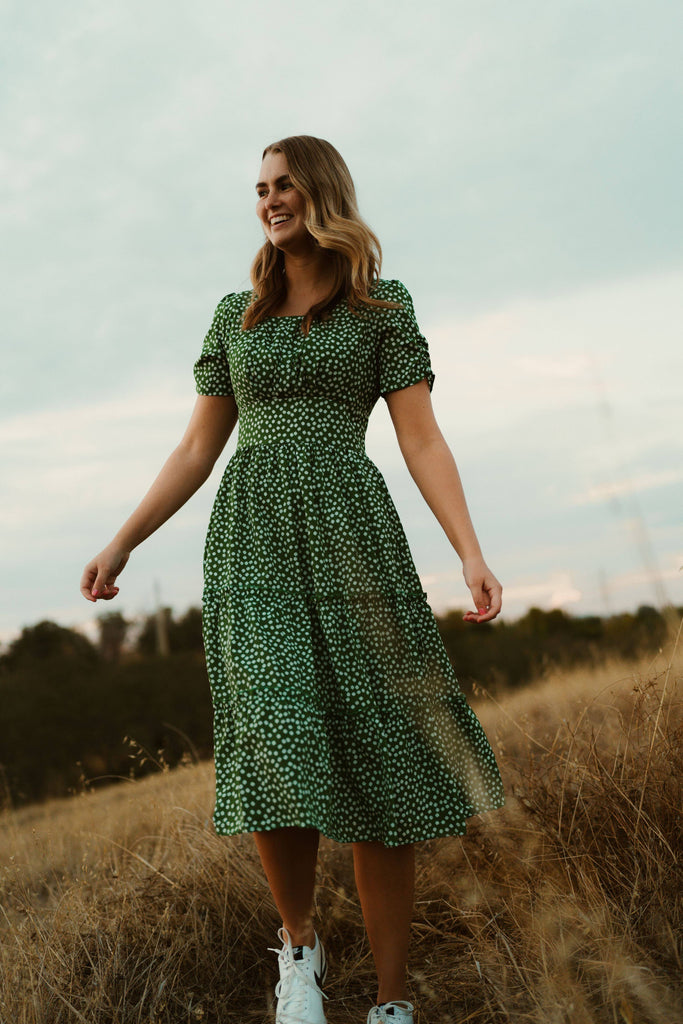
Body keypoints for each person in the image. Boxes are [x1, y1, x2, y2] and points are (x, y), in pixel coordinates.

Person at [80, 134, 505, 1024]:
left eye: (284, 186)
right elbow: (198, 447)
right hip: (253, 546)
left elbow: (420, 437)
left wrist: (467, 549)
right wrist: (122, 541)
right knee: (276, 740)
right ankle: (299, 958)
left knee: (379, 752)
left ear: (321, 193)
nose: (270, 200)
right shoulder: (236, 314)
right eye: (261, 189)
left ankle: (392, 1001)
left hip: (354, 537)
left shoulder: (382, 307)